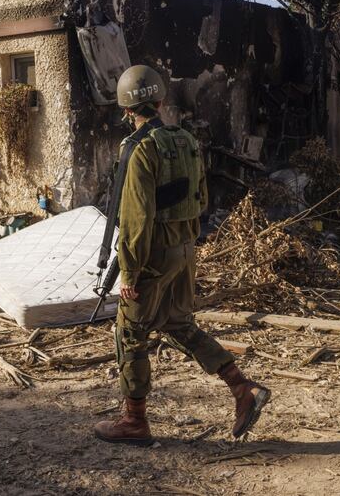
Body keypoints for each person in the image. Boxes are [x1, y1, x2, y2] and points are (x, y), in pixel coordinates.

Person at [94, 65, 271, 446]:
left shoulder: (138, 149)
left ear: (127, 110)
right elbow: (202, 200)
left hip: (153, 255)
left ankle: (134, 421)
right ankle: (243, 389)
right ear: (159, 102)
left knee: (130, 331)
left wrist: (129, 272)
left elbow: (136, 219)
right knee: (178, 326)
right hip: (186, 251)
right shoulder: (188, 141)